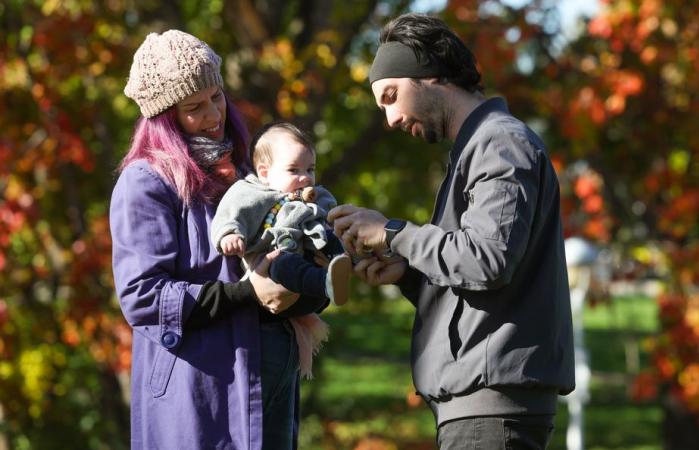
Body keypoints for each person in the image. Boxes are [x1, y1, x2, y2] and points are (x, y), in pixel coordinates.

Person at [328, 13, 575, 450]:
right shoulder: (476, 150)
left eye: (390, 96)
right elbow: (481, 282)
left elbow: (487, 259)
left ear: (430, 75)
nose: (389, 118)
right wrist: (407, 273)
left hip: (491, 414)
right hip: (480, 411)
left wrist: (392, 232)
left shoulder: (499, 143)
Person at [110, 29, 301, 450]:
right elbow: (143, 296)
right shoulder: (145, 182)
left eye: (217, 97)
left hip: (264, 379)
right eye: (194, 107)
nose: (214, 115)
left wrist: (303, 281)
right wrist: (245, 293)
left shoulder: (250, 171)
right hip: (196, 394)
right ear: (165, 118)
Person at [211, 121, 352, 310]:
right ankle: (325, 283)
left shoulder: (315, 197)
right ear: (264, 173)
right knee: (283, 264)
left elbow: (330, 216)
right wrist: (229, 234)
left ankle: (347, 264)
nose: (306, 177)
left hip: (309, 271)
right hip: (274, 274)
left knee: (332, 237)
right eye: (293, 170)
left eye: (310, 169)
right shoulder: (250, 193)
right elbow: (228, 213)